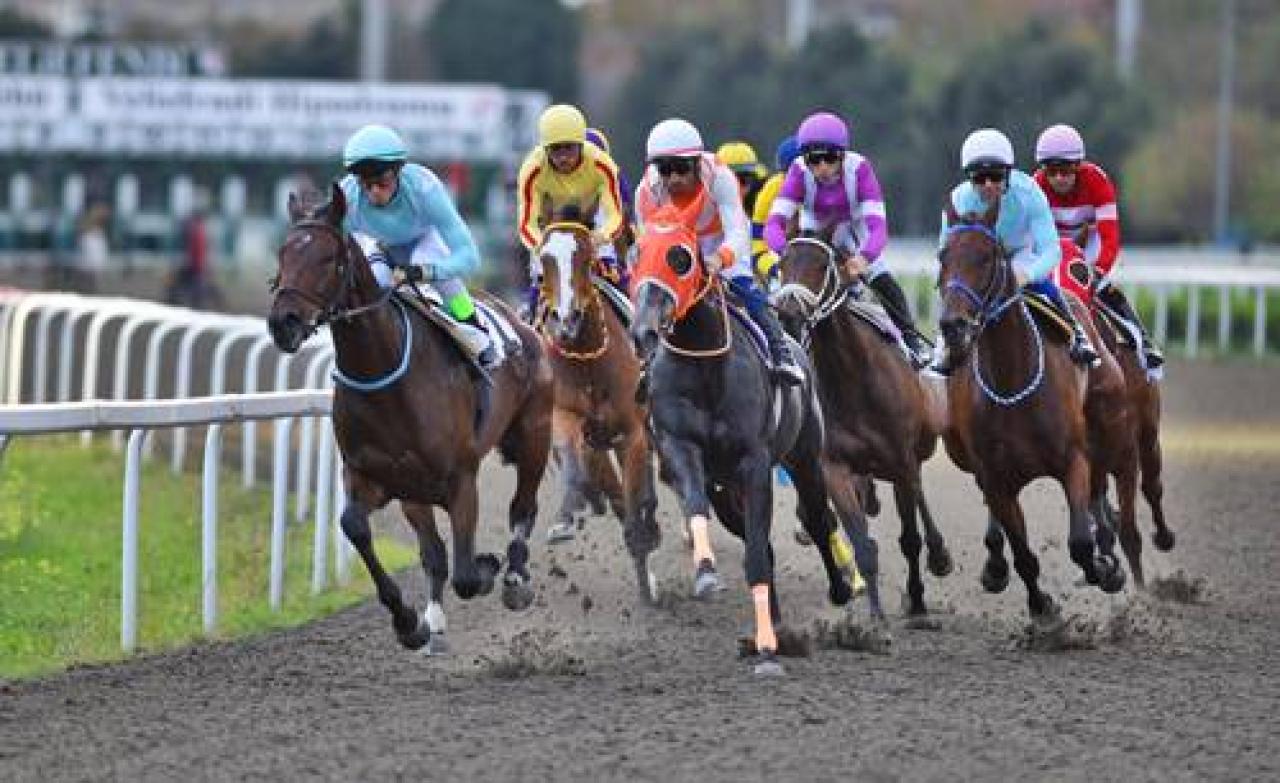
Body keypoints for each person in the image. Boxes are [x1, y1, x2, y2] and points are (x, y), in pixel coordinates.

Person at [635, 117, 803, 385]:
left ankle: (781, 353)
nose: (674, 178)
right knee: (651, 296)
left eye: (681, 168)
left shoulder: (720, 176)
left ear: (697, 162)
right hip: (677, 247)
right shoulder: (646, 190)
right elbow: (648, 244)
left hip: (721, 240)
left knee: (744, 288)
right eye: (665, 170)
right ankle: (644, 363)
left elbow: (737, 232)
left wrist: (719, 259)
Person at [765, 111, 930, 368]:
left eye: (830, 159)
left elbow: (878, 229)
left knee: (880, 276)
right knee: (783, 288)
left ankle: (913, 342)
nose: (822, 168)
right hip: (814, 228)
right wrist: (784, 252)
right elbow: (774, 224)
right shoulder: (797, 171)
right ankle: (781, 350)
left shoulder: (860, 169)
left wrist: (863, 259)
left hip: (854, 227)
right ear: (804, 159)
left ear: (842, 155)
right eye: (814, 160)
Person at [932, 128, 1101, 376]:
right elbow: (944, 255)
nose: (988, 184)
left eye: (996, 176)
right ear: (969, 178)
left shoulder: (1030, 193)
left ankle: (1077, 334)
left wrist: (1029, 275)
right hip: (980, 260)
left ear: (1009, 173)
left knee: (1038, 283)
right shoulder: (958, 200)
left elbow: (1051, 251)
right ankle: (942, 347)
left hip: (1020, 254)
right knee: (955, 286)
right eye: (980, 178)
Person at [339, 123, 494, 367]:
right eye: (365, 184)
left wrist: (425, 272)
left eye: (382, 182)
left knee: (433, 265)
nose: (374, 193)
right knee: (375, 284)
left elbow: (469, 257)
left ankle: (472, 324)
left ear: (399, 172)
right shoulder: (346, 195)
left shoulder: (425, 187)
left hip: (423, 242)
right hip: (380, 247)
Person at [1033, 123, 1163, 368]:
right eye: (1051, 170)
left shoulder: (1097, 181)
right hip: (1051, 244)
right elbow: (1032, 239)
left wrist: (1099, 270)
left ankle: (1144, 343)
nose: (1059, 178)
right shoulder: (1035, 186)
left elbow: (1109, 236)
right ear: (1043, 170)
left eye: (1066, 170)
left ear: (1079, 165)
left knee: (1102, 287)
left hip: (1089, 241)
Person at [516, 104, 628, 317]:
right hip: (549, 227)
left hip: (592, 222)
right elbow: (526, 225)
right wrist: (544, 244)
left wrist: (600, 238)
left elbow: (615, 216)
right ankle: (529, 317)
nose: (563, 157)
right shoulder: (532, 168)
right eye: (556, 149)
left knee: (612, 273)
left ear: (581, 145)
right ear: (545, 149)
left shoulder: (601, 163)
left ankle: (633, 326)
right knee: (540, 274)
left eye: (569, 148)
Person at [750, 135, 802, 287]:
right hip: (784, 261)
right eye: (789, 175)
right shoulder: (770, 190)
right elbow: (758, 247)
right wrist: (775, 269)